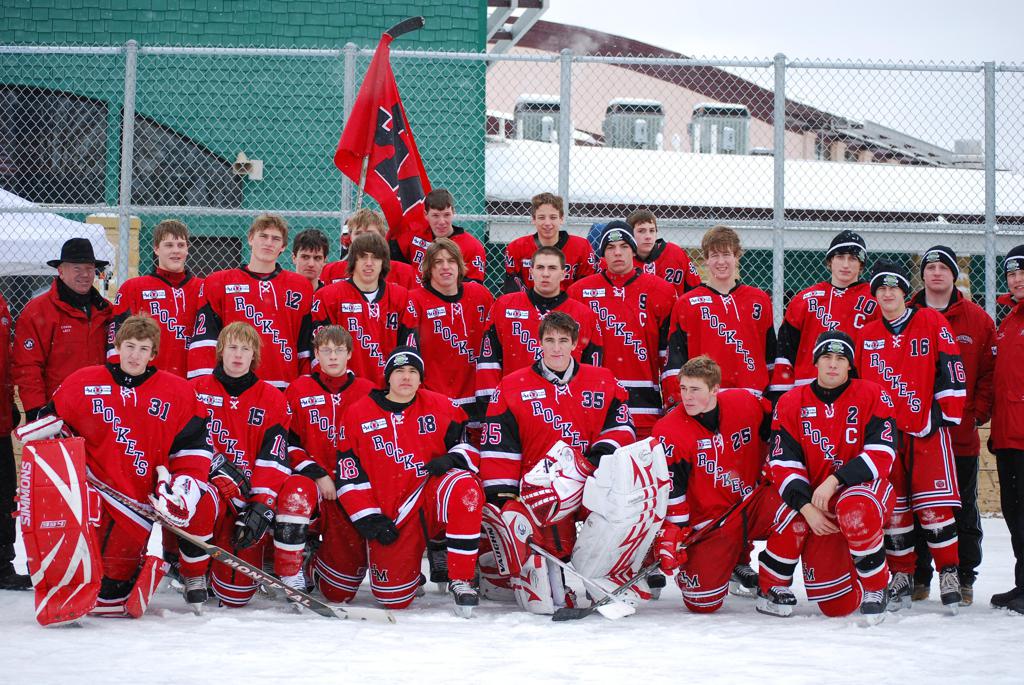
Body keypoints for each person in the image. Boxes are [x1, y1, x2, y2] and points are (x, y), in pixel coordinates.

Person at [17, 315, 214, 617]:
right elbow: (53, 427)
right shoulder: (83, 381)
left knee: (111, 590)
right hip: (91, 493)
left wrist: (183, 486)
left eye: (143, 349)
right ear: (118, 346)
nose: (135, 355)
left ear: (153, 354)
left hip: (135, 504)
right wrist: (48, 429)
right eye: (130, 346)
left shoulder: (177, 392)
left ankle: (153, 573)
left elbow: (193, 447)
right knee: (77, 572)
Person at [480, 311, 636, 610]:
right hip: (540, 487)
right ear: (538, 343)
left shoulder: (603, 379)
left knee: (616, 521)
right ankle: (510, 572)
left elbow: (622, 424)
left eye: (563, 340)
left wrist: (599, 454)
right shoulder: (512, 386)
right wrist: (504, 493)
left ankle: (606, 579)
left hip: (592, 477)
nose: (556, 348)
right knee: (552, 568)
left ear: (575, 344)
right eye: (549, 340)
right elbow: (499, 442)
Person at [650, 356, 805, 616]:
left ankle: (773, 586)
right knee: (703, 604)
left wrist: (775, 461)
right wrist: (674, 532)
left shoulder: (745, 403)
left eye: (695, 389)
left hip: (752, 502)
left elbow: (778, 430)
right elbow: (672, 492)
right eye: (683, 388)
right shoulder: (668, 430)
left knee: (796, 510)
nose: (686, 396)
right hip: (711, 523)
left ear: (715, 389)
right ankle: (718, 564)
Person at [336, 347, 483, 614]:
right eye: (399, 371)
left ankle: (461, 577)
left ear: (421, 378)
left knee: (465, 488)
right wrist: (370, 518)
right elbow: (348, 474)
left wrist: (453, 458)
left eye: (413, 371)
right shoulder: (358, 413)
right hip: (393, 514)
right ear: (388, 377)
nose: (406, 377)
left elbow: (472, 444)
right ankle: (411, 569)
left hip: (429, 496)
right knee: (393, 599)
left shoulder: (442, 406)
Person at [855, 260, 966, 612]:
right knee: (895, 510)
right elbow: (857, 388)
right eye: (880, 288)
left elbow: (952, 367)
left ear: (905, 291)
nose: (887, 293)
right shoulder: (867, 334)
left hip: (925, 431)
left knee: (935, 507)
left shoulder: (930, 321)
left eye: (893, 287)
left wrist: (940, 415)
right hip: (884, 438)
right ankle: (902, 573)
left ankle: (949, 572)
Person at [768, 331, 897, 621]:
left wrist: (834, 480)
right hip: (818, 503)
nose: (833, 364)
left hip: (864, 491)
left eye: (841, 358)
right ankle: (855, 565)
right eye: (826, 356)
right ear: (815, 361)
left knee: (855, 510)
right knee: (836, 606)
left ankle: (877, 586)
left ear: (850, 364)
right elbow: (783, 463)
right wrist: (807, 508)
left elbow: (883, 452)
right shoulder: (790, 402)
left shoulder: (873, 394)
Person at [909, 245, 995, 606]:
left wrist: (975, 415)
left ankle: (963, 576)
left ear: (954, 275)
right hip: (915, 436)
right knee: (916, 507)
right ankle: (918, 576)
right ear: (922, 275)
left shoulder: (977, 320)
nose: (936, 273)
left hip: (958, 436)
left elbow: (988, 374)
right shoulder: (906, 313)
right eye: (930, 267)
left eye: (944, 267)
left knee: (962, 509)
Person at [189, 322, 293, 610]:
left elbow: (274, 458)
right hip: (207, 489)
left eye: (245, 349)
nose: (238, 355)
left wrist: (259, 504)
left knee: (236, 595)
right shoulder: (195, 390)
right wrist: (208, 469)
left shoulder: (273, 399)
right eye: (232, 347)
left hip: (245, 500)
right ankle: (187, 566)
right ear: (220, 351)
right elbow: (181, 444)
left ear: (254, 355)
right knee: (196, 501)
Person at [279, 325, 375, 598]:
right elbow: (286, 442)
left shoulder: (368, 391)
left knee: (338, 592)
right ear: (316, 355)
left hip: (351, 486)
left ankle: (315, 563)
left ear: (350, 354)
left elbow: (374, 447)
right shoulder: (299, 388)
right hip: (310, 480)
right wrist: (318, 473)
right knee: (296, 493)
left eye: (339, 350)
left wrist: (348, 481)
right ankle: (291, 569)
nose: (333, 356)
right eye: (326, 350)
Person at [568, 220, 676, 439]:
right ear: (602, 253)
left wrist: (673, 401)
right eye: (610, 247)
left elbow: (670, 356)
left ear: (634, 250)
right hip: (594, 398)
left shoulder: (661, 290)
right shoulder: (579, 292)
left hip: (645, 402)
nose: (617, 253)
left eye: (624, 246)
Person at [187, 214, 313, 389]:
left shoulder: (300, 286)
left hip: (284, 382)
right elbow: (206, 340)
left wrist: (305, 384)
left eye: (276, 239)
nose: (269, 243)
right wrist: (206, 385)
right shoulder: (220, 282)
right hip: (233, 385)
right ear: (251, 239)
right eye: (263, 236)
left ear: (283, 246)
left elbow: (305, 345)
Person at [476, 246, 603, 410]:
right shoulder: (504, 306)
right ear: (531, 272)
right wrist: (490, 404)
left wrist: (583, 406)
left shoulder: (583, 314)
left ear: (563, 273)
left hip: (565, 407)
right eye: (540, 267)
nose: (545, 274)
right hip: (515, 402)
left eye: (552, 268)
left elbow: (592, 367)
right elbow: (489, 359)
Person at [663, 225, 776, 406]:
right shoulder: (686, 303)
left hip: (750, 398)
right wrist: (676, 401)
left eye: (726, 254)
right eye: (714, 255)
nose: (721, 261)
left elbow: (770, 358)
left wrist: (773, 399)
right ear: (706, 259)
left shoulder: (759, 300)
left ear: (737, 256)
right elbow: (676, 360)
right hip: (705, 400)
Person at [13, 237, 113, 422]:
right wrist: (36, 410)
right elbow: (27, 367)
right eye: (77, 268)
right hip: (56, 411)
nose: (85, 274)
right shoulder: (38, 312)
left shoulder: (106, 311)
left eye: (89, 268)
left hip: (100, 409)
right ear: (61, 271)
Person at [771, 230, 877, 396]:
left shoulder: (876, 299)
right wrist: (781, 391)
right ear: (830, 261)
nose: (846, 264)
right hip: (807, 388)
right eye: (840, 257)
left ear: (861, 264)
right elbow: (786, 351)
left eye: (853, 258)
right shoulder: (804, 300)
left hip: (855, 390)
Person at [403, 238, 493, 422]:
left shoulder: (480, 295)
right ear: (429, 268)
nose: (446, 267)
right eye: (438, 262)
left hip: (476, 394)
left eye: (451, 261)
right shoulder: (414, 300)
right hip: (435, 396)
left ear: (459, 265)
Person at [312, 231, 410, 386]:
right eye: (363, 257)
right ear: (353, 260)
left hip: (388, 390)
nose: (369, 263)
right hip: (343, 388)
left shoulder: (400, 297)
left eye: (375, 257)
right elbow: (320, 350)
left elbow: (408, 349)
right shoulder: (328, 297)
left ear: (384, 261)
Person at [109, 219, 203, 378]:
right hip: (147, 379)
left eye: (181, 245)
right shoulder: (134, 288)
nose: (176, 251)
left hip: (192, 379)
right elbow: (116, 341)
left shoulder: (204, 288)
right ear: (156, 249)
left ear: (187, 249)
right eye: (169, 245)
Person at [989, 244, 1024, 614]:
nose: (1016, 279)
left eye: (1023, 273)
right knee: (1014, 515)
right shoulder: (1009, 320)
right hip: (1007, 435)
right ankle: (1022, 584)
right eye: (1012, 274)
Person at [503, 192, 595, 293]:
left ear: (561, 219)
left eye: (553, 217)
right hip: (529, 301)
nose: (547, 223)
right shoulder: (517, 248)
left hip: (568, 302)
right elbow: (512, 292)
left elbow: (586, 287)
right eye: (541, 217)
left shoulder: (581, 247)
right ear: (534, 219)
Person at [390, 189, 487, 284]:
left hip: (449, 294)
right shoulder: (413, 235)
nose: (442, 222)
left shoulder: (472, 247)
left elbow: (473, 288)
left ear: (453, 212)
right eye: (435, 215)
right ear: (426, 214)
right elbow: (395, 270)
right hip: (415, 293)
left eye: (446, 215)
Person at [0, 293, 29, 590]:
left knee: (5, 494)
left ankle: (2, 565)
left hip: (0, 418)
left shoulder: (1, 303)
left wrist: (9, 401)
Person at [321, 209, 419, 290]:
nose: (364, 238)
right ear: (350, 237)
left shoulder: (405, 273)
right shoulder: (331, 271)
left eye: (369, 233)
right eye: (358, 233)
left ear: (382, 237)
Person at [626, 209, 701, 295]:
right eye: (641, 231)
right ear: (629, 234)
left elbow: (697, 291)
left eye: (652, 230)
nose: (648, 236)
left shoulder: (675, 253)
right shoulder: (623, 259)